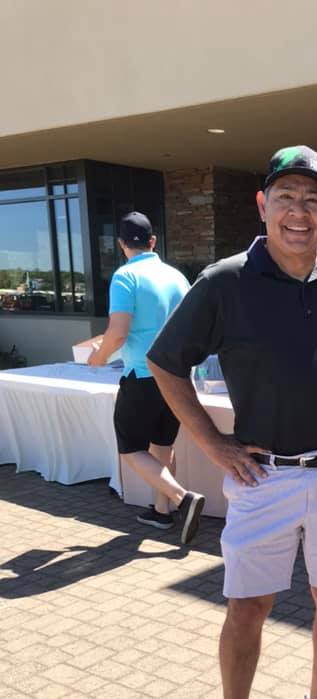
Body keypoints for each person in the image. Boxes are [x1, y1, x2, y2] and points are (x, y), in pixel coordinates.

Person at [147, 146, 317, 699]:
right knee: (247, 607)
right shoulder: (225, 282)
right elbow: (166, 363)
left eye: (312, 201)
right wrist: (213, 445)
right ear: (262, 205)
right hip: (261, 477)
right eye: (286, 198)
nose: (298, 213)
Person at [88, 212, 205, 544]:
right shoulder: (177, 277)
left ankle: (183, 499)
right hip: (177, 375)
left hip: (142, 374)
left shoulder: (125, 276)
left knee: (130, 448)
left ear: (121, 243)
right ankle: (161, 511)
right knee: (163, 445)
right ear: (153, 241)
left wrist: (99, 357)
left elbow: (118, 333)